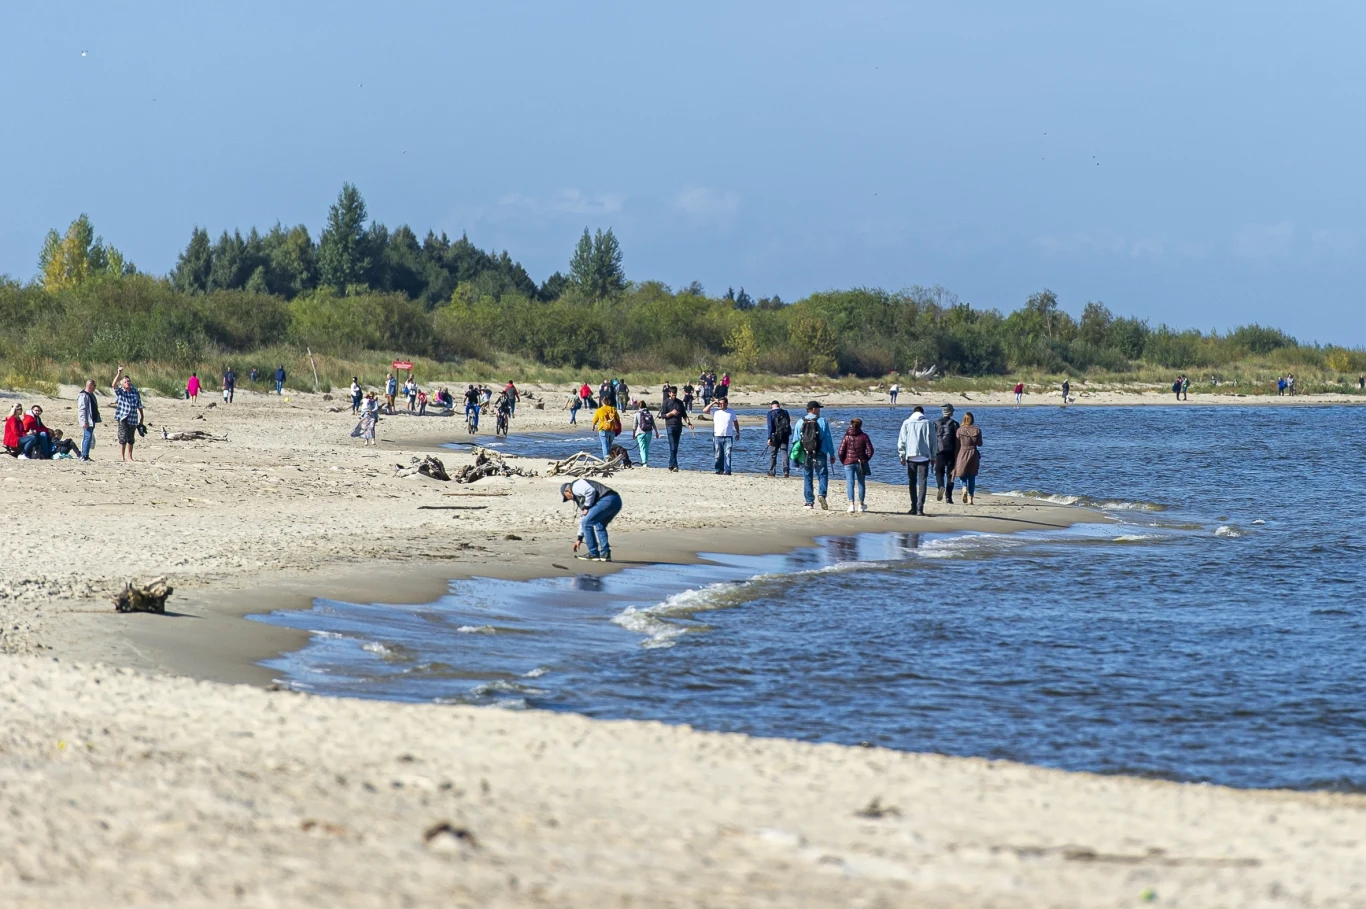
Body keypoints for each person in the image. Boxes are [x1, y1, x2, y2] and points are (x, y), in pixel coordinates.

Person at [562, 479, 622, 562]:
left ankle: (593, 553)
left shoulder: (575, 486)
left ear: (567, 491)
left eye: (566, 497)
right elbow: (583, 517)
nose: (569, 499)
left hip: (607, 499)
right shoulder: (582, 498)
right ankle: (605, 554)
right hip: (616, 500)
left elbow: (591, 491)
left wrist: (586, 506)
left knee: (587, 523)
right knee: (599, 525)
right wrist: (579, 538)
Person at [793, 401, 835, 510]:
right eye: (818, 408)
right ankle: (821, 494)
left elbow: (796, 441)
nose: (819, 410)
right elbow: (828, 439)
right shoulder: (822, 421)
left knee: (807, 476)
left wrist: (796, 456)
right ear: (814, 409)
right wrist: (832, 453)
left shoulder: (799, 422)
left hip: (806, 452)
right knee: (822, 474)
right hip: (820, 451)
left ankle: (809, 502)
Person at [897, 405, 937, 516]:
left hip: (911, 456)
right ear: (923, 413)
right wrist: (933, 457)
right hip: (924, 457)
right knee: (923, 482)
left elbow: (902, 441)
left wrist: (902, 456)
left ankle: (913, 507)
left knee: (912, 482)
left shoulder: (906, 423)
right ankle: (920, 508)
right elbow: (933, 441)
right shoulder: (928, 423)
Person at [838, 417, 874, 513]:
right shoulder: (864, 436)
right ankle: (861, 505)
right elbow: (870, 450)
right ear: (861, 426)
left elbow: (840, 452)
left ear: (851, 424)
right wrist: (866, 459)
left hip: (848, 462)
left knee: (850, 483)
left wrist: (844, 461)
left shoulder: (846, 436)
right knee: (861, 483)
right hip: (860, 462)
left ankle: (851, 505)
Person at [112, 366, 145, 462]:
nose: (128, 383)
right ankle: (122, 456)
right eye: (125, 381)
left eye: (129, 381)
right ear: (122, 384)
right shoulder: (121, 392)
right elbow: (113, 385)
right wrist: (119, 373)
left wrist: (142, 416)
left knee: (131, 438)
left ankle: (129, 456)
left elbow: (139, 404)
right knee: (123, 437)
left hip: (133, 417)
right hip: (123, 417)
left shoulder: (135, 392)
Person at [933, 403, 960, 505]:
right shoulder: (955, 424)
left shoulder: (935, 423)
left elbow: (932, 439)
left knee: (939, 472)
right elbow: (958, 440)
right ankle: (949, 497)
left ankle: (941, 486)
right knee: (951, 475)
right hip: (951, 452)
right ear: (951, 412)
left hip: (939, 452)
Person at [660, 386, 691, 472]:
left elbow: (684, 415)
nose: (674, 396)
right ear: (669, 394)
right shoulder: (666, 402)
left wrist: (689, 423)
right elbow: (663, 415)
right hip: (670, 426)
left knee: (675, 447)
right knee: (672, 447)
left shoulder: (680, 402)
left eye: (675, 394)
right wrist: (671, 413)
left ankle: (671, 464)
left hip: (679, 426)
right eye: (673, 394)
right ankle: (675, 465)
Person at [705, 396, 739, 475]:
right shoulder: (715, 411)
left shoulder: (731, 412)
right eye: (720, 403)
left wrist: (737, 433)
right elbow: (705, 410)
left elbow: (735, 422)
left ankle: (727, 470)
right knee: (718, 454)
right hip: (717, 436)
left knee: (728, 453)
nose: (721, 405)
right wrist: (714, 402)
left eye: (723, 403)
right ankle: (719, 469)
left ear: (726, 403)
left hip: (728, 436)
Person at [955, 412, 983, 505]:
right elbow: (980, 443)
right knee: (972, 476)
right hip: (973, 453)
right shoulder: (977, 430)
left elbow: (957, 443)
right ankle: (970, 498)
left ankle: (964, 487)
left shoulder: (959, 430)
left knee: (962, 473)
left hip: (962, 452)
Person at [765, 400, 792, 478]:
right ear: (779, 405)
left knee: (773, 454)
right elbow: (788, 423)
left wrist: (769, 438)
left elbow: (770, 427)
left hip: (774, 436)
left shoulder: (770, 414)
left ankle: (772, 471)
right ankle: (786, 470)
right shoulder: (785, 412)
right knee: (784, 452)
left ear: (771, 407)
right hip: (784, 436)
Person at [77, 379, 101, 461]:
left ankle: (85, 454)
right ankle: (84, 455)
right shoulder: (83, 395)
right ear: (90, 386)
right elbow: (82, 409)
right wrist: (84, 421)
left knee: (88, 437)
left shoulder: (91, 395)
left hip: (92, 420)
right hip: (87, 421)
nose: (95, 387)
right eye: (94, 385)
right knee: (87, 437)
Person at [632, 402, 659, 467]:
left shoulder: (637, 414)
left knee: (642, 448)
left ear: (639, 407)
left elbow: (634, 425)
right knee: (646, 448)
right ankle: (645, 461)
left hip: (640, 433)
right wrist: (656, 432)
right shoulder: (650, 414)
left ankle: (644, 462)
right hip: (649, 433)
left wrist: (633, 433)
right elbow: (653, 424)